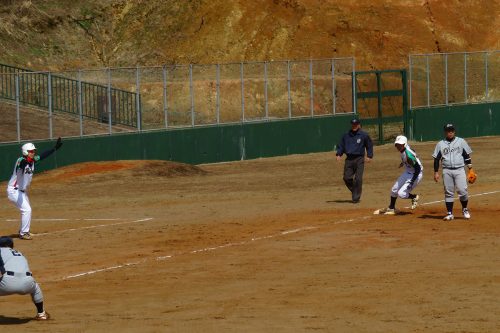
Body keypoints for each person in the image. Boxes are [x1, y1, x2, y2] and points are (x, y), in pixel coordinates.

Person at [6, 138, 63, 240]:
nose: (33, 153)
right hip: (13, 190)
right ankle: (23, 233)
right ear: (25, 152)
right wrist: (27, 162)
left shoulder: (32, 161)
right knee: (27, 210)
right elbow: (22, 165)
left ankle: (24, 230)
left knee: (27, 210)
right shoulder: (21, 160)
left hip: (22, 192)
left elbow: (42, 156)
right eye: (31, 151)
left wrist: (54, 149)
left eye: (33, 151)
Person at [0, 236, 49, 320]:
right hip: (27, 282)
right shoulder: (19, 253)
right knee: (36, 288)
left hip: (7, 283)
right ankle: (41, 314)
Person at [432, 124, 473, 221]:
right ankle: (450, 213)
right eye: (448, 131)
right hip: (447, 170)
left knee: (463, 191)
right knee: (448, 192)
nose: (450, 132)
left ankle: (465, 209)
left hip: (459, 170)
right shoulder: (440, 144)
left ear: (454, 131)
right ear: (445, 132)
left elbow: (466, 156)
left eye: (451, 131)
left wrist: (470, 169)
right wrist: (436, 172)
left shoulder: (461, 141)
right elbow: (436, 159)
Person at [378, 135, 423, 215]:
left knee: (401, 193)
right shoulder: (404, 150)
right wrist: (403, 163)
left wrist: (412, 181)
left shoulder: (409, 155)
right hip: (408, 172)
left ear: (404, 144)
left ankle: (414, 197)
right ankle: (392, 208)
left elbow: (418, 169)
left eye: (400, 144)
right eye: (397, 144)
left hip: (416, 174)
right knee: (394, 190)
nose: (398, 146)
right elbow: (413, 151)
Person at [336, 118, 373, 203]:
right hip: (349, 159)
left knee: (358, 179)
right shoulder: (346, 135)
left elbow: (369, 145)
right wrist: (339, 154)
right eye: (353, 124)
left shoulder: (364, 135)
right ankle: (355, 190)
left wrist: (369, 156)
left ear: (359, 125)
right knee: (346, 178)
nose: (354, 126)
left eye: (356, 124)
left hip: (359, 159)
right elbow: (341, 145)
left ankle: (356, 197)